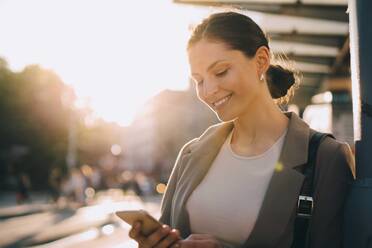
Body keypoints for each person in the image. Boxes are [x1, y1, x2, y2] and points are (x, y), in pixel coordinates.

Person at [129, 11, 355, 248]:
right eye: (199, 80)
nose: (208, 91)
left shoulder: (325, 158)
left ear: (261, 61)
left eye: (220, 72)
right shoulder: (190, 154)